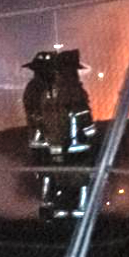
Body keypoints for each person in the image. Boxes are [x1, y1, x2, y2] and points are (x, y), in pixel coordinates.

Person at [21, 49, 95, 218]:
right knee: (75, 177)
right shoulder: (66, 89)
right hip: (71, 142)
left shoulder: (50, 90)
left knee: (51, 175)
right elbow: (81, 115)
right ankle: (77, 212)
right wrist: (91, 133)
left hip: (50, 140)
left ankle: (51, 209)